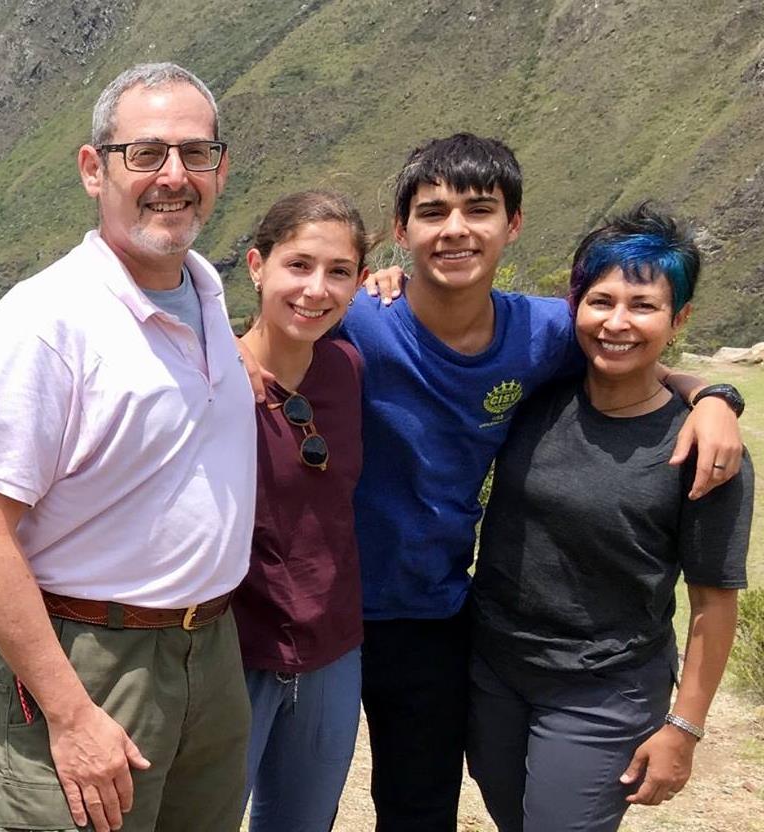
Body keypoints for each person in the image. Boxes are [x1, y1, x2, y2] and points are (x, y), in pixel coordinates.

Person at [342, 133, 746, 831]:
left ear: (515, 224)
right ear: (402, 230)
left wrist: (712, 397)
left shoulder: (546, 336)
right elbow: (266, 343)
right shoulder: (354, 320)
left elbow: (628, 350)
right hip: (333, 616)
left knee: (420, 808)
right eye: (434, 211)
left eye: (480, 209)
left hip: (437, 618)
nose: (457, 229)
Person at [0, 63, 255, 832]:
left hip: (211, 651)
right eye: (145, 154)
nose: (174, 177)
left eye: (195, 153)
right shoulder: (46, 322)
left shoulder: (210, 296)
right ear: (95, 168)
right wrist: (71, 714)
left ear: (221, 166)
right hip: (87, 660)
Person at [467, 203, 754, 832]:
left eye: (643, 306)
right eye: (601, 301)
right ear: (575, 305)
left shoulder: (704, 449)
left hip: (604, 688)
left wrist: (684, 727)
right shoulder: (537, 398)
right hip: (493, 670)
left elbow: (713, 602)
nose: (617, 323)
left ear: (678, 319)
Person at [232, 191, 370, 832]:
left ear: (361, 283)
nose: (316, 289)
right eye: (299, 265)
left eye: (339, 271)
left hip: (332, 650)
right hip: (231, 652)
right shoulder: (209, 375)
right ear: (257, 265)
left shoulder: (347, 367)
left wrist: (695, 387)